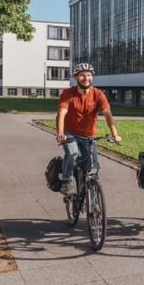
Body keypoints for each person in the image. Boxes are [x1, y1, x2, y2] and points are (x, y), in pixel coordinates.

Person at [56, 63, 121, 195]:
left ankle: (90, 197)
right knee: (73, 152)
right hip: (71, 134)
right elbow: (61, 114)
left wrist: (115, 134)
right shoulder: (68, 94)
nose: (86, 78)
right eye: (82, 75)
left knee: (93, 168)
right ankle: (66, 180)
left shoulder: (98, 94)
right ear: (76, 77)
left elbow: (107, 113)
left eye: (89, 75)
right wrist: (60, 133)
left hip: (89, 136)